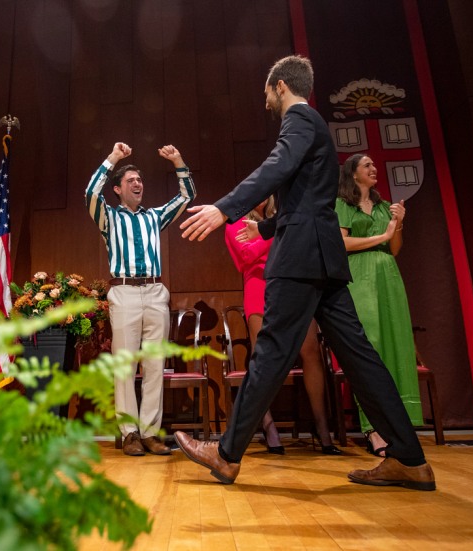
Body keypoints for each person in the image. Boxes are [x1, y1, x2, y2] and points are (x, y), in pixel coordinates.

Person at [174, 55, 435, 491]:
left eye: (265, 92)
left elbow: (276, 168)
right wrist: (268, 225)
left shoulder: (298, 119)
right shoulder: (312, 126)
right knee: (359, 356)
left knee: (272, 352)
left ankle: (225, 455)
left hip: (300, 259)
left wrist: (225, 208)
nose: (264, 100)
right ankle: (410, 459)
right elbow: (308, 198)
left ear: (280, 86)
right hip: (323, 257)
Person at [85, 142, 196, 457]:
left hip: (155, 292)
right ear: (118, 190)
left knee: (154, 365)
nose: (137, 184)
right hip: (124, 292)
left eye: (140, 180)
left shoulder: (155, 216)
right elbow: (91, 194)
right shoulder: (107, 217)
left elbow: (187, 196)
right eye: (130, 181)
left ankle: (149, 433)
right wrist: (113, 159)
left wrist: (177, 160)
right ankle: (129, 432)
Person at [225, 197, 342, 455]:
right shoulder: (236, 221)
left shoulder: (282, 214)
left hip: (292, 285)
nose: (262, 196)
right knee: (262, 359)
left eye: (267, 192)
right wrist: (279, 233)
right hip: (259, 288)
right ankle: (269, 427)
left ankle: (322, 428)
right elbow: (246, 257)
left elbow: (301, 246)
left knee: (310, 351)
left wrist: (269, 235)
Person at [335, 153, 423, 457]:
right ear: (353, 174)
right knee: (370, 348)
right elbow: (341, 244)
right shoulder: (343, 205)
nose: (374, 169)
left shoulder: (385, 207)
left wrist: (397, 225)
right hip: (359, 276)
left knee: (396, 344)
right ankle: (373, 428)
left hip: (388, 276)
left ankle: (402, 425)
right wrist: (380, 237)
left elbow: (394, 249)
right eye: (367, 165)